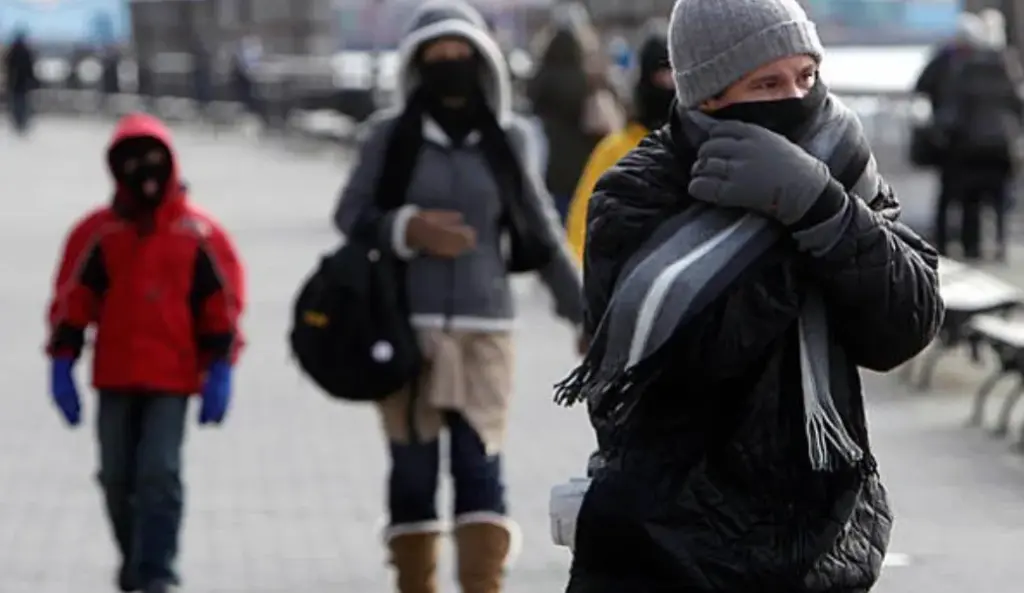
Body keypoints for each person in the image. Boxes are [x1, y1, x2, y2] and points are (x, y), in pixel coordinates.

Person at [554, 0, 944, 591]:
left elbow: (906, 325)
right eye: (767, 83)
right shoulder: (635, 193)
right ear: (709, 93)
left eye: (806, 76)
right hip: (667, 544)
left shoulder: (839, 167)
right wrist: (793, 229)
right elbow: (691, 364)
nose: (797, 97)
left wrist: (825, 210)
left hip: (821, 535)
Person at [332, 1, 583, 591]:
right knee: (414, 474)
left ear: (483, 62)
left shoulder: (510, 139)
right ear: (416, 65)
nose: (450, 65)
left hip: (485, 332)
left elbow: (542, 235)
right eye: (436, 56)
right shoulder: (388, 137)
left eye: (461, 54)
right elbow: (350, 214)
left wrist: (584, 314)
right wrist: (406, 228)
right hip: (405, 331)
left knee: (480, 471)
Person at [45, 113, 245, 593]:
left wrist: (221, 366)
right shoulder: (99, 233)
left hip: (172, 377)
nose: (145, 170)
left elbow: (221, 304)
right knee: (116, 477)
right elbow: (74, 298)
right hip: (114, 375)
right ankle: (134, 563)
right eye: (132, 160)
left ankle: (158, 572)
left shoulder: (198, 234)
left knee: (159, 472)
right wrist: (62, 360)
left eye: (154, 158)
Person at [914, 12, 1021, 260]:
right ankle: (998, 246)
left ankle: (963, 247)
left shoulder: (959, 67)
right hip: (1001, 145)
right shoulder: (1006, 67)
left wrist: (938, 133)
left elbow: (951, 107)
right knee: (999, 199)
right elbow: (1017, 104)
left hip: (964, 145)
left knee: (962, 198)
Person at [566, 27, 674, 263]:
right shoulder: (615, 150)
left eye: (674, 75)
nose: (668, 84)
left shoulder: (704, 147)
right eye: (660, 74)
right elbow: (583, 222)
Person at [528, 18, 619, 225]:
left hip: (551, 164)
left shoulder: (540, 80)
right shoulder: (587, 81)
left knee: (557, 220)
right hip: (585, 163)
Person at [3, 29, 37, 135]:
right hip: (21, 83)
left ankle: (19, 123)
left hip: (16, 83)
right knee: (21, 103)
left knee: (17, 103)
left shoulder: (12, 51)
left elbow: (7, 66)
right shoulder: (24, 51)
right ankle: (21, 123)